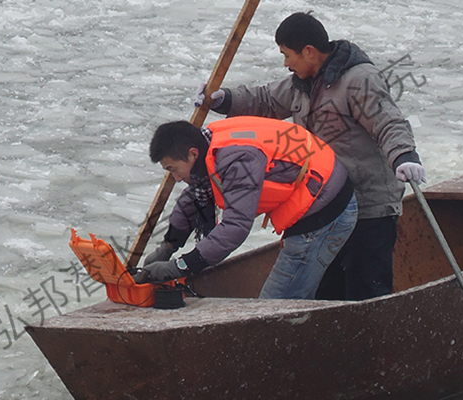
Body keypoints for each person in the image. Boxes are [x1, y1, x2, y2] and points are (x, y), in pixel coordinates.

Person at [194, 12, 426, 301]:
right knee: (326, 293)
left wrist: (405, 156)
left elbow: (388, 122)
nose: (286, 63)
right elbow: (264, 100)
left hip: (369, 208)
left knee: (367, 291)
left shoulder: (359, 79)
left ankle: (369, 344)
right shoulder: (302, 83)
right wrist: (225, 100)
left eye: (287, 55)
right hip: (328, 208)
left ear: (309, 52)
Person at [134, 115, 358, 300]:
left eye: (173, 169)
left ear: (192, 153)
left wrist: (180, 267)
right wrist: (167, 247)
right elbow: (193, 199)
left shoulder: (238, 160)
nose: (176, 178)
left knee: (274, 304)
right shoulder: (208, 147)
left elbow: (236, 227)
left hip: (326, 208)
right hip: (317, 193)